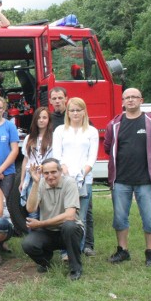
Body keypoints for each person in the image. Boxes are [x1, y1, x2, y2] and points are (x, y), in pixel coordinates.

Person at [104, 88, 151, 266]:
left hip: (145, 180)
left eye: (134, 97)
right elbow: (108, 148)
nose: (130, 100)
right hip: (120, 180)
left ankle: (150, 253)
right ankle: (122, 251)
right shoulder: (115, 124)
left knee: (150, 218)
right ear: (122, 102)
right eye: (127, 97)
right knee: (119, 218)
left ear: (141, 100)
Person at [21, 158, 84, 281]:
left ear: (60, 171)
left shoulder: (69, 183)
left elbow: (70, 215)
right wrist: (35, 183)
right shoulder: (40, 184)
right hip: (48, 231)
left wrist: (41, 223)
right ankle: (45, 263)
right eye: (46, 173)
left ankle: (75, 268)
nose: (50, 176)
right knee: (27, 244)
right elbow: (30, 208)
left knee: (69, 226)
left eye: (53, 172)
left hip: (69, 230)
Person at [52, 97, 98, 254]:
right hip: (64, 179)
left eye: (79, 110)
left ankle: (76, 252)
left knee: (81, 218)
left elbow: (92, 157)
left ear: (84, 111)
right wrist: (65, 171)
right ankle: (65, 251)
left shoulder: (91, 131)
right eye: (72, 110)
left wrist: (83, 173)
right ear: (68, 112)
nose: (75, 113)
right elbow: (57, 154)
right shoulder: (60, 131)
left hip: (85, 179)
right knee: (65, 216)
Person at [19, 107, 54, 219]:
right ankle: (33, 235)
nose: (41, 120)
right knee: (32, 209)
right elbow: (26, 160)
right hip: (31, 178)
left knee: (48, 208)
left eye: (44, 117)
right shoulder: (29, 138)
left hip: (48, 176)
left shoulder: (54, 138)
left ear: (49, 120)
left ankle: (46, 235)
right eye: (38, 117)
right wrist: (22, 181)